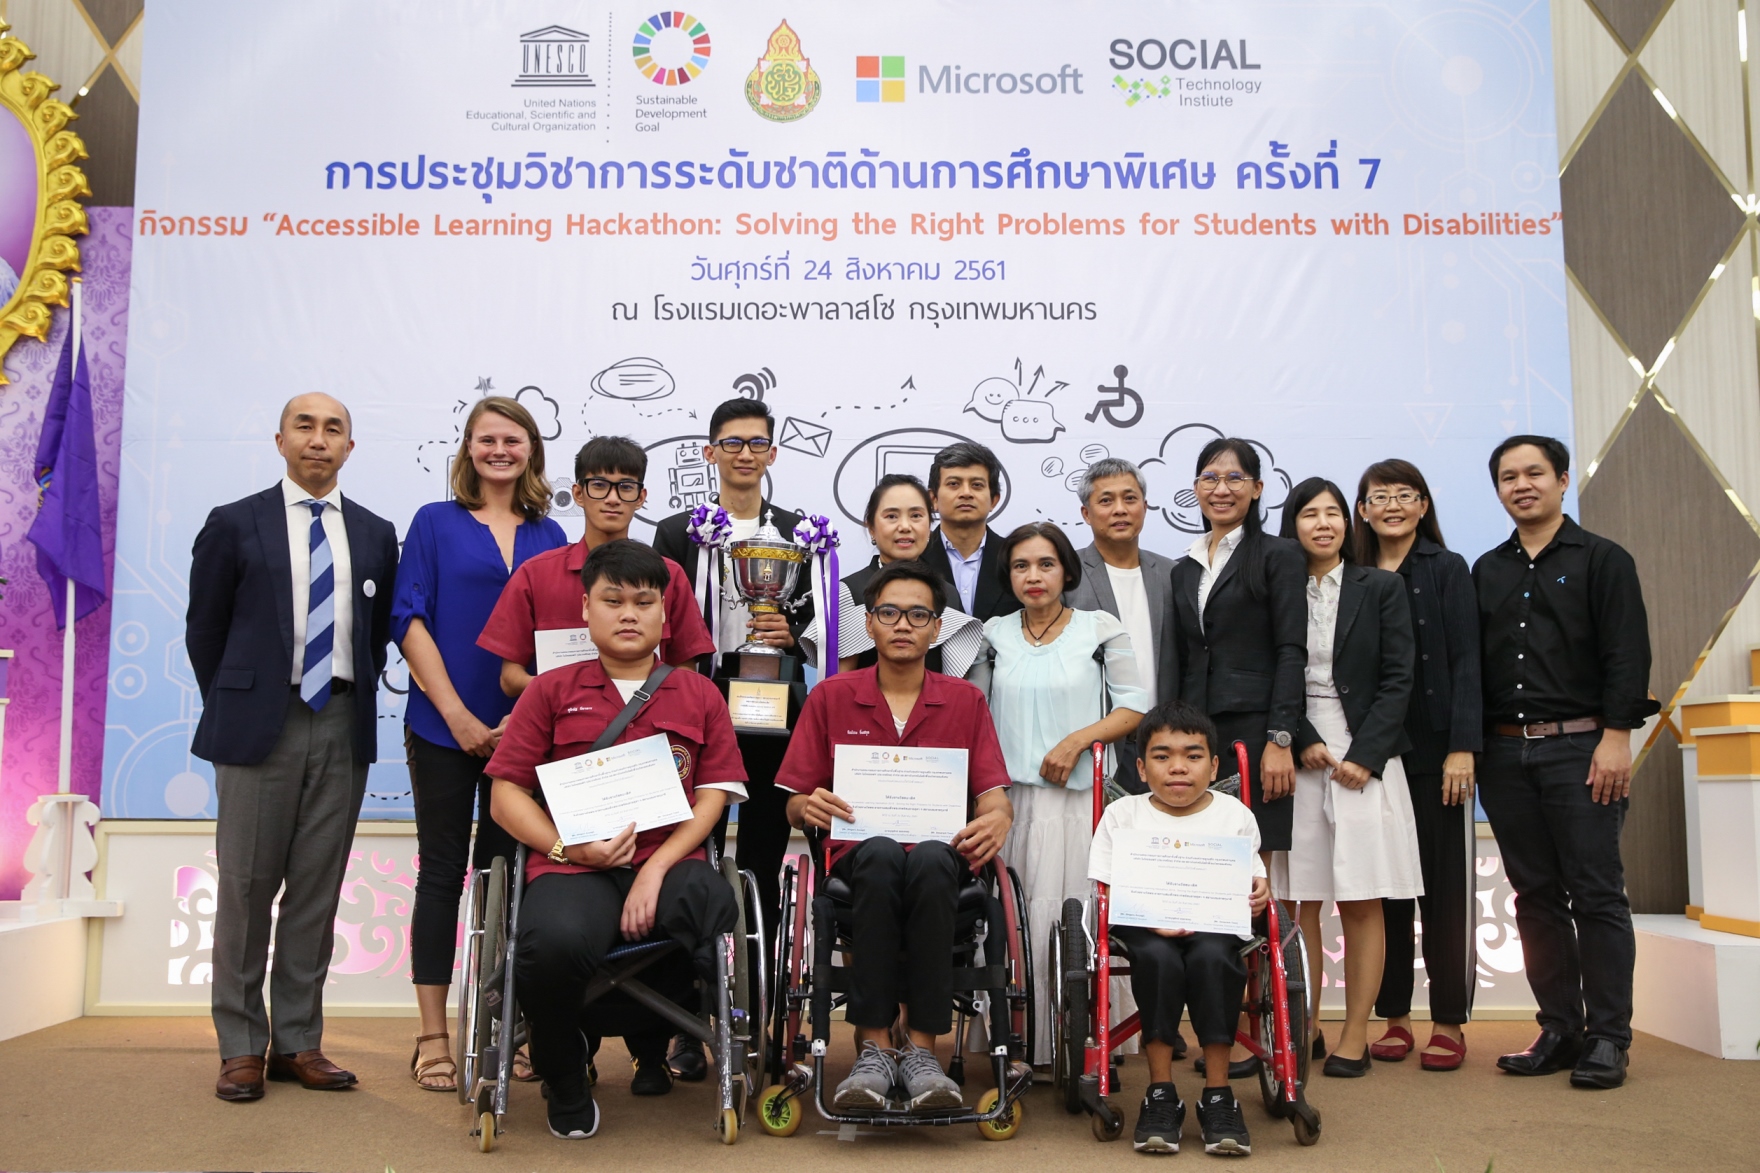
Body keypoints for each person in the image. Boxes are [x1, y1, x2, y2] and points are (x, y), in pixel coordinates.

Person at [485, 541, 747, 1139]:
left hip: (666, 859)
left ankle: (680, 1036)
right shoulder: (548, 691)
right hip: (574, 869)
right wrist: (568, 850)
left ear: (665, 614)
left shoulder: (699, 694)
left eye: (643, 601)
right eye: (613, 600)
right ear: (586, 610)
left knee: (713, 901)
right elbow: (506, 797)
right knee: (547, 945)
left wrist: (655, 872)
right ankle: (565, 1074)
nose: (628, 613)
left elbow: (713, 794)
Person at [186, 393, 399, 1102]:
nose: (318, 439)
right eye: (304, 426)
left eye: (332, 428)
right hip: (258, 725)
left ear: (350, 446)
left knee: (316, 887)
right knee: (246, 889)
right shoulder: (233, 523)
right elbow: (204, 632)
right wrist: (243, 700)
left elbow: (371, 641)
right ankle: (242, 1045)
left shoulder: (374, 533)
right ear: (280, 439)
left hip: (340, 721)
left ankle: (299, 1041)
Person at [774, 561, 1014, 1111]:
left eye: (918, 614)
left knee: (931, 858)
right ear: (869, 623)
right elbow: (792, 801)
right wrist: (805, 804)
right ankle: (876, 1048)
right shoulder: (832, 695)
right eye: (888, 613)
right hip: (860, 859)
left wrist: (999, 816)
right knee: (880, 853)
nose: (902, 624)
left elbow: (994, 796)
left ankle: (923, 1050)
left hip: (940, 858)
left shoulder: (965, 701)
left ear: (936, 628)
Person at [391, 397, 567, 1091]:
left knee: (513, 882)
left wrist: (524, 716)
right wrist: (459, 714)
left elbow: (558, 641)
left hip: (527, 736)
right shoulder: (434, 523)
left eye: (512, 439)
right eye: (486, 438)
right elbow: (409, 619)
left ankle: (504, 1028)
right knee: (443, 875)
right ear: (467, 449)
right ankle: (434, 1035)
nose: (499, 450)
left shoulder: (551, 533)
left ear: (531, 451)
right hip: (442, 725)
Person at [1473, 436, 1656, 1090]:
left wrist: (1616, 736)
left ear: (1562, 479)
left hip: (1583, 747)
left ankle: (1610, 1035)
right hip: (1504, 753)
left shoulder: (1604, 560)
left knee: (1597, 892)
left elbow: (1626, 656)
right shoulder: (1486, 570)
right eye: (1507, 476)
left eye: (1533, 473)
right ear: (1497, 489)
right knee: (1536, 896)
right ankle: (1560, 1026)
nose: (1521, 485)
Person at [970, 521, 1148, 1065]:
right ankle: (1019, 1036)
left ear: (1066, 570)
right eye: (1021, 566)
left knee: (1075, 918)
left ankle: (1089, 1039)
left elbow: (1134, 705)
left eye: (1046, 564)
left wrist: (1078, 741)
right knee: (1016, 919)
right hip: (1010, 806)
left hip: (1081, 804)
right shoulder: (992, 635)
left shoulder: (1100, 629)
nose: (1034, 576)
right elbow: (973, 716)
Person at [652, 398, 813, 992]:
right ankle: (691, 1009)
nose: (745, 454)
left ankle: (759, 1001)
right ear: (710, 452)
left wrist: (794, 633)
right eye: (732, 443)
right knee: (693, 857)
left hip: (778, 709)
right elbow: (660, 620)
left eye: (756, 444)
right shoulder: (677, 532)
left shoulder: (801, 531)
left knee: (763, 856)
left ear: (772, 453)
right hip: (698, 707)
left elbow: (827, 622)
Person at [1274, 477, 1423, 1078]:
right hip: (1295, 749)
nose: (1323, 523)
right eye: (1309, 513)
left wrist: (1366, 754)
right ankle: (1305, 1024)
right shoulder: (1276, 588)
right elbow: (1269, 669)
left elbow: (1399, 677)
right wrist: (1301, 740)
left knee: (1362, 898)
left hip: (1367, 752)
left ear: (1348, 523)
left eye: (1333, 512)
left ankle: (1355, 1032)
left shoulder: (1381, 586)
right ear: (1294, 525)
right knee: (1298, 899)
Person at [1089, 701, 1270, 1157]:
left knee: (1214, 959)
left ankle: (1218, 1095)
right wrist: (1151, 916)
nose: (1177, 768)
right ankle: (1161, 1093)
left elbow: (1253, 876)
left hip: (1214, 923)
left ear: (1213, 767)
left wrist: (1261, 892)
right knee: (1157, 958)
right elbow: (1106, 888)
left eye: (1192, 756)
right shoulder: (1122, 815)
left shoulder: (1234, 815)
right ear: (1141, 767)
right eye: (1162, 756)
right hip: (1143, 924)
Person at [1354, 459, 1482, 1071]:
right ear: (1363, 509)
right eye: (1381, 496)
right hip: (1374, 755)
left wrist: (1464, 745)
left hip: (1435, 755)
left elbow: (1466, 662)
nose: (1394, 505)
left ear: (1424, 506)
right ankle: (1396, 1017)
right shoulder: (1350, 574)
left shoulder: (1446, 568)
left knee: (1443, 889)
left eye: (1407, 495)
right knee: (1388, 890)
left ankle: (1450, 1020)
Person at [478, 435, 712, 699]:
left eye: (625, 487)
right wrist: (574, 697)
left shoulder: (669, 576)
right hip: (560, 729)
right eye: (599, 485)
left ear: (640, 497)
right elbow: (510, 679)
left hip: (648, 733)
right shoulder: (536, 575)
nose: (612, 499)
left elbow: (687, 671)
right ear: (578, 493)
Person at [1169, 438, 1307, 860]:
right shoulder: (1184, 567)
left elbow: (1291, 650)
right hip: (1197, 734)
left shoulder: (1279, 555)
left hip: (1256, 732)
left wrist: (1280, 739)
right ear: (1196, 488)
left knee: (1250, 864)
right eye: (1209, 478)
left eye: (1235, 478)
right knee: (1198, 857)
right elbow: (1186, 657)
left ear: (1258, 488)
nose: (1221, 489)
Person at [1066, 458, 1180, 793]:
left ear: (1145, 507)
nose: (1120, 509)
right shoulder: (1066, 575)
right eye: (1106, 501)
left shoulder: (1174, 575)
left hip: (1163, 742)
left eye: (1130, 499)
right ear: (1086, 513)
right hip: (1094, 744)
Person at [800, 473, 985, 676]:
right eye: (891, 516)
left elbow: (952, 677)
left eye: (916, 516)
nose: (905, 527)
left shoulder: (947, 592)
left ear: (929, 526)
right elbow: (837, 687)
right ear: (871, 527)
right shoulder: (847, 593)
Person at [918, 441, 1023, 623]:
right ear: (933, 499)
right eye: (953, 484)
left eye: (976, 485)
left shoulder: (1016, 558)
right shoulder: (913, 559)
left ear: (994, 500)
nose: (966, 493)